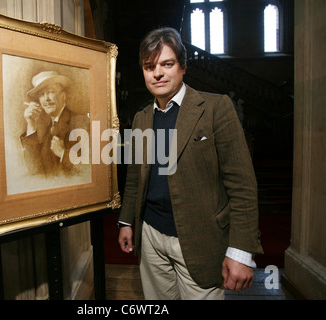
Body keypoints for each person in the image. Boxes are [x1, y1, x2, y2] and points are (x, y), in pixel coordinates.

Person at [118, 27, 263, 300]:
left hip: (201, 237)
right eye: (149, 66)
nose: (157, 73)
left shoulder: (216, 108)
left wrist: (241, 251)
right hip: (150, 236)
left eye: (167, 64)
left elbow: (242, 185)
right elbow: (135, 178)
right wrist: (126, 221)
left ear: (183, 67)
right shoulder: (141, 118)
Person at [20, 71, 84, 176]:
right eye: (41, 95)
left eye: (51, 92)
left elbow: (90, 168)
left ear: (63, 96)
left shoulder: (80, 122)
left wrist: (63, 153)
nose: (46, 99)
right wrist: (31, 124)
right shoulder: (49, 129)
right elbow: (34, 168)